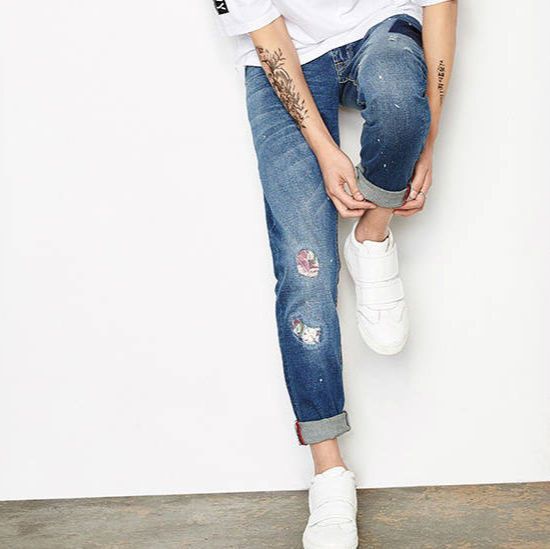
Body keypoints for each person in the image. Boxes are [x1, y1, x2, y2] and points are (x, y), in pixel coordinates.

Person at [213, 1, 457, 547]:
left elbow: (441, 6)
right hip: (284, 54)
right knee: (305, 266)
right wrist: (324, 150)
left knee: (402, 107)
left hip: (382, 26)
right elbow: (268, 36)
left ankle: (371, 237)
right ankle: (328, 471)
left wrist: (428, 139)